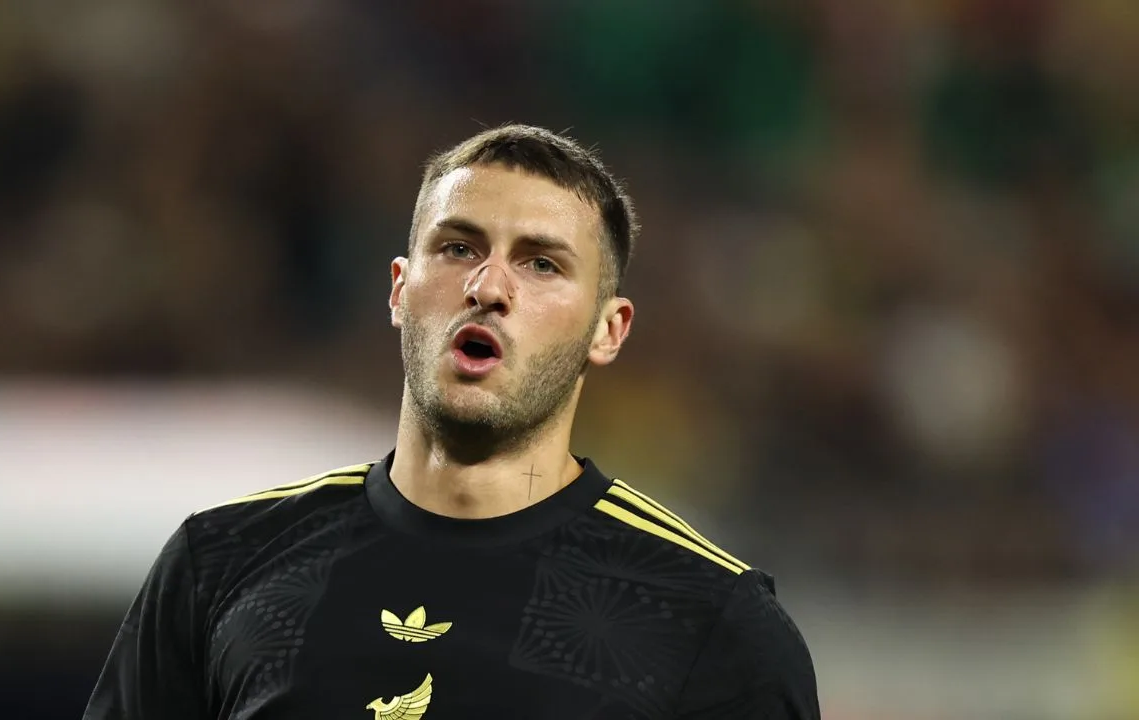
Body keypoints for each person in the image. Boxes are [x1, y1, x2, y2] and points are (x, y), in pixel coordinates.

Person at [82, 124, 820, 719]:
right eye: (458, 247)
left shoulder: (710, 623)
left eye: (541, 265)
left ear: (609, 330)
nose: (488, 285)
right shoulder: (220, 566)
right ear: (401, 290)